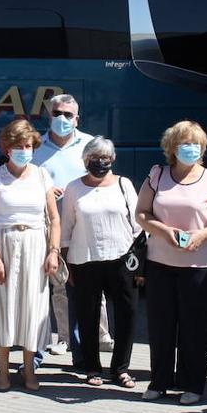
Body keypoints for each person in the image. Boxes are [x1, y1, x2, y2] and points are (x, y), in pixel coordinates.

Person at [135, 121, 207, 404]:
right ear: (172, 147)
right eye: (184, 143)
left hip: (202, 266)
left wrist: (203, 234)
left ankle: (193, 384)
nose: (190, 149)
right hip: (160, 263)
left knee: (195, 327)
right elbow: (141, 213)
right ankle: (159, 381)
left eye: (195, 144)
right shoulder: (157, 174)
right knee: (161, 324)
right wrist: (164, 231)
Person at [0, 119, 61, 391]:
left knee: (32, 309)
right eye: (18, 146)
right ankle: (2, 371)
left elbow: (54, 218)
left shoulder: (42, 175)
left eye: (28, 145)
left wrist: (53, 252)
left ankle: (30, 370)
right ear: (7, 148)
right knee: (4, 307)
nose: (24, 150)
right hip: (4, 244)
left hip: (36, 245)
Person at [35, 93, 113, 364]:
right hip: (51, 223)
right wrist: (44, 191)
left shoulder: (90, 144)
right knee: (59, 283)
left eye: (68, 115)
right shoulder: (36, 147)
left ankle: (101, 335)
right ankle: (66, 337)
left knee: (93, 282)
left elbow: (104, 177)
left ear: (77, 118)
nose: (62, 119)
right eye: (57, 113)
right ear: (49, 115)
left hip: (85, 222)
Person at [60, 136, 142, 388]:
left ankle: (121, 369)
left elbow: (138, 227)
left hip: (121, 260)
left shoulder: (124, 185)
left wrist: (140, 264)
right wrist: (66, 264)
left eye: (105, 158)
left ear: (113, 159)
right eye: (95, 159)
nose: (100, 163)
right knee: (88, 316)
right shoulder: (74, 188)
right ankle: (92, 368)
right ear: (86, 160)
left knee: (127, 314)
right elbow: (66, 229)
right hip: (84, 261)